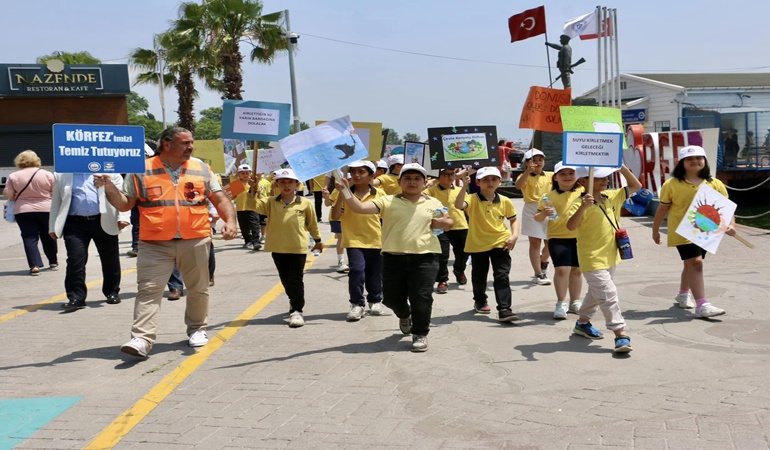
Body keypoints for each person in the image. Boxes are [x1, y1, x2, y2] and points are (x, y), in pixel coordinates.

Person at [97, 126, 237, 357]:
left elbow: (220, 199)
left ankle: (197, 329)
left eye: (191, 142)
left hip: (195, 239)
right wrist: (109, 186)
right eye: (185, 143)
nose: (190, 147)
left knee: (198, 289)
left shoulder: (201, 168)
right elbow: (124, 205)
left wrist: (230, 222)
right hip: (154, 243)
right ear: (166, 144)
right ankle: (141, 339)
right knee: (148, 290)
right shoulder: (141, 169)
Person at [340, 163, 452, 352]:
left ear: (425, 183)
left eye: (417, 179)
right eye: (407, 178)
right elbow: (358, 207)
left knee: (422, 297)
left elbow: (448, 222)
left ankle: (420, 333)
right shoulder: (387, 201)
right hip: (393, 258)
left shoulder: (433, 203)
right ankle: (404, 314)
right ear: (399, 182)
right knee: (390, 299)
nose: (412, 182)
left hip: (425, 257)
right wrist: (344, 189)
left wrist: (443, 222)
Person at [566, 164, 642, 353]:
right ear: (583, 181)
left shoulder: (612, 196)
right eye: (599, 177)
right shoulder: (578, 202)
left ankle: (582, 323)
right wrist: (584, 206)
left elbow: (636, 186)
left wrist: (622, 167)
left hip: (611, 255)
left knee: (596, 292)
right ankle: (620, 333)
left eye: (606, 176)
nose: (605, 180)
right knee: (608, 295)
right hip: (591, 258)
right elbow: (570, 225)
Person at [652, 145, 734, 318]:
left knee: (690, 264)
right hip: (682, 232)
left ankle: (683, 294)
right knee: (696, 263)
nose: (695, 161)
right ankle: (702, 305)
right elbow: (662, 209)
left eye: (699, 158)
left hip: (705, 232)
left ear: (705, 161)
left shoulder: (715, 183)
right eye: (689, 159)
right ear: (681, 163)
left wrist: (731, 225)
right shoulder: (671, 184)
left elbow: (726, 208)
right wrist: (655, 230)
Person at [49, 170, 128, 309]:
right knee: (75, 259)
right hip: (75, 224)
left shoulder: (109, 172)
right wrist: (52, 226)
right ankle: (76, 297)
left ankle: (112, 292)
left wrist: (123, 218)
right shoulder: (62, 174)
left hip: (103, 220)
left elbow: (122, 195)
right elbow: (56, 200)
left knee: (110, 259)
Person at [255, 168, 323, 328]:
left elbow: (312, 224)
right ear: (277, 184)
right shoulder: (270, 202)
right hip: (277, 247)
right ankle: (294, 301)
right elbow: (254, 205)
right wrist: (253, 188)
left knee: (296, 279)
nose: (286, 186)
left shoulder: (305, 203)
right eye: (283, 182)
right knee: (285, 279)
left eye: (290, 182)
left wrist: (318, 240)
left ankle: (297, 310)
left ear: (297, 184)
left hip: (297, 247)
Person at [455, 167, 520, 321]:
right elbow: (458, 205)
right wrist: (464, 186)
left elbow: (513, 219)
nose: (490, 183)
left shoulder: (505, 200)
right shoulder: (471, 198)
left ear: (500, 181)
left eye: (494, 179)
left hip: (501, 242)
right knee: (479, 276)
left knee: (502, 275)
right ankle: (480, 300)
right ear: (478, 182)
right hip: (478, 244)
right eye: (485, 179)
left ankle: (505, 309)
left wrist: (514, 235)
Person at [328, 160, 385, 321]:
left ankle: (375, 300)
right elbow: (335, 216)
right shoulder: (342, 191)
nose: (356, 175)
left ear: (371, 176)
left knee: (374, 273)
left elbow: (386, 216)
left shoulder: (380, 194)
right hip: (353, 239)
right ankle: (357, 304)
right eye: (353, 172)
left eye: (361, 172)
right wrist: (341, 195)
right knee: (357, 270)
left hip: (375, 238)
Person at [534, 162, 584, 320]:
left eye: (571, 173)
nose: (568, 177)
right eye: (563, 174)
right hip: (557, 237)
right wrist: (544, 213)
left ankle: (575, 301)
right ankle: (561, 302)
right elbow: (537, 217)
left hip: (581, 237)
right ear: (556, 177)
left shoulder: (584, 192)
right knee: (562, 270)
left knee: (577, 270)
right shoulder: (548, 197)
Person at [2, 150, 57, 275]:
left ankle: (34, 265)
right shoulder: (47, 174)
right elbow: (55, 192)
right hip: (46, 209)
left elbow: (9, 195)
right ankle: (53, 261)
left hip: (23, 210)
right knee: (48, 235)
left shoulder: (14, 176)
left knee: (29, 237)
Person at [425, 167, 470, 293]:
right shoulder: (430, 191)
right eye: (445, 174)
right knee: (442, 255)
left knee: (464, 252)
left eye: (452, 174)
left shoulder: (460, 190)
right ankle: (442, 280)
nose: (450, 177)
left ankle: (459, 270)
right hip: (440, 227)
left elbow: (468, 208)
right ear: (438, 177)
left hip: (460, 225)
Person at [515, 149, 553, 286]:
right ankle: (538, 273)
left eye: (540, 160)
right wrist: (527, 172)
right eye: (533, 160)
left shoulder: (551, 175)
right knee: (535, 242)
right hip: (531, 208)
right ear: (526, 162)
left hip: (549, 208)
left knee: (551, 242)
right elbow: (518, 186)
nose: (537, 163)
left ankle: (543, 261)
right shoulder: (524, 176)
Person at [322, 173, 350, 273]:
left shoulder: (355, 191)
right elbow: (327, 204)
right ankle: (341, 261)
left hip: (350, 218)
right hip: (336, 218)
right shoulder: (336, 191)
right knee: (341, 238)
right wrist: (326, 196)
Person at [234, 164, 262, 251]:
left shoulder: (254, 183)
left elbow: (258, 194)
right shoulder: (236, 184)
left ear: (250, 173)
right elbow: (229, 196)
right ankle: (247, 241)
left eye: (247, 173)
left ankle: (256, 241)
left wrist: (254, 185)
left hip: (253, 207)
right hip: (240, 208)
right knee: (244, 226)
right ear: (238, 174)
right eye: (242, 173)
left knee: (255, 225)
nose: (245, 175)